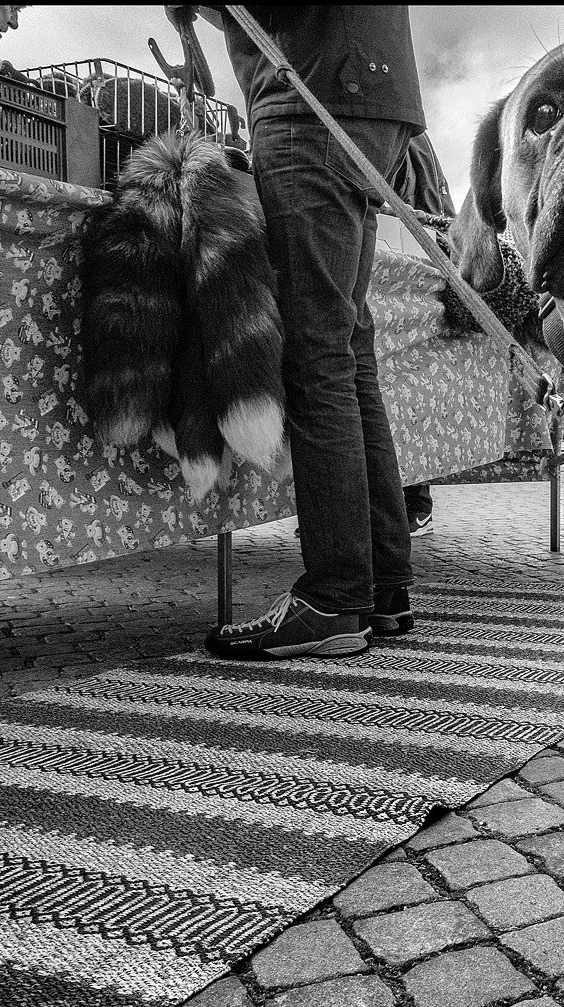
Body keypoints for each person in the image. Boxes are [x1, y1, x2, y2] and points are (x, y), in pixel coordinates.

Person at [184, 6, 426, 660]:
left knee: (318, 354)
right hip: (367, 98)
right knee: (346, 349)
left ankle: (335, 597)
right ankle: (380, 583)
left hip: (312, 97)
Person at [391, 132, 456, 539]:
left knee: (406, 389)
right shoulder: (414, 140)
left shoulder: (408, 141)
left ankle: (415, 503)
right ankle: (407, 504)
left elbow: (429, 202)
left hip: (411, 265)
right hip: (413, 262)